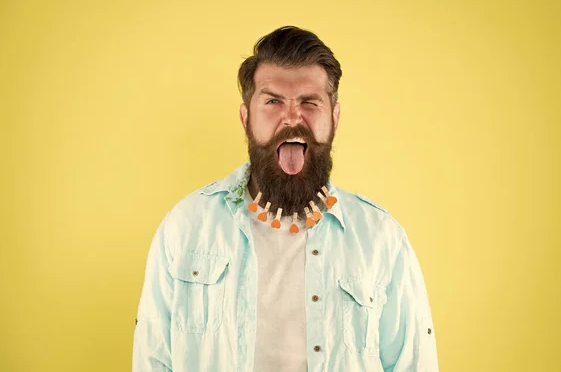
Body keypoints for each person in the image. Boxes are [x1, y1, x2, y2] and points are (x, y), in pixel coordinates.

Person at [132, 26, 439, 372]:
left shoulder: (381, 238)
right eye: (273, 101)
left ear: (334, 118)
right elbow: (152, 361)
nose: (292, 117)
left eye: (310, 102)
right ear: (246, 117)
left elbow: (414, 364)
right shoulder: (185, 227)